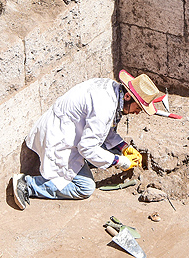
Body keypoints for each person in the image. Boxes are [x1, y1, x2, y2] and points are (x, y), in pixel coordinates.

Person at [10, 70, 167, 210]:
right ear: (127, 96)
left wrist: (123, 146)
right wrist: (119, 161)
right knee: (85, 187)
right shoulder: (104, 108)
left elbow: (105, 129)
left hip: (68, 130)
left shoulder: (112, 89)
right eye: (138, 107)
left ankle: (79, 166)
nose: (138, 112)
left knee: (109, 152)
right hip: (59, 139)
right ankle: (29, 184)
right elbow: (87, 147)